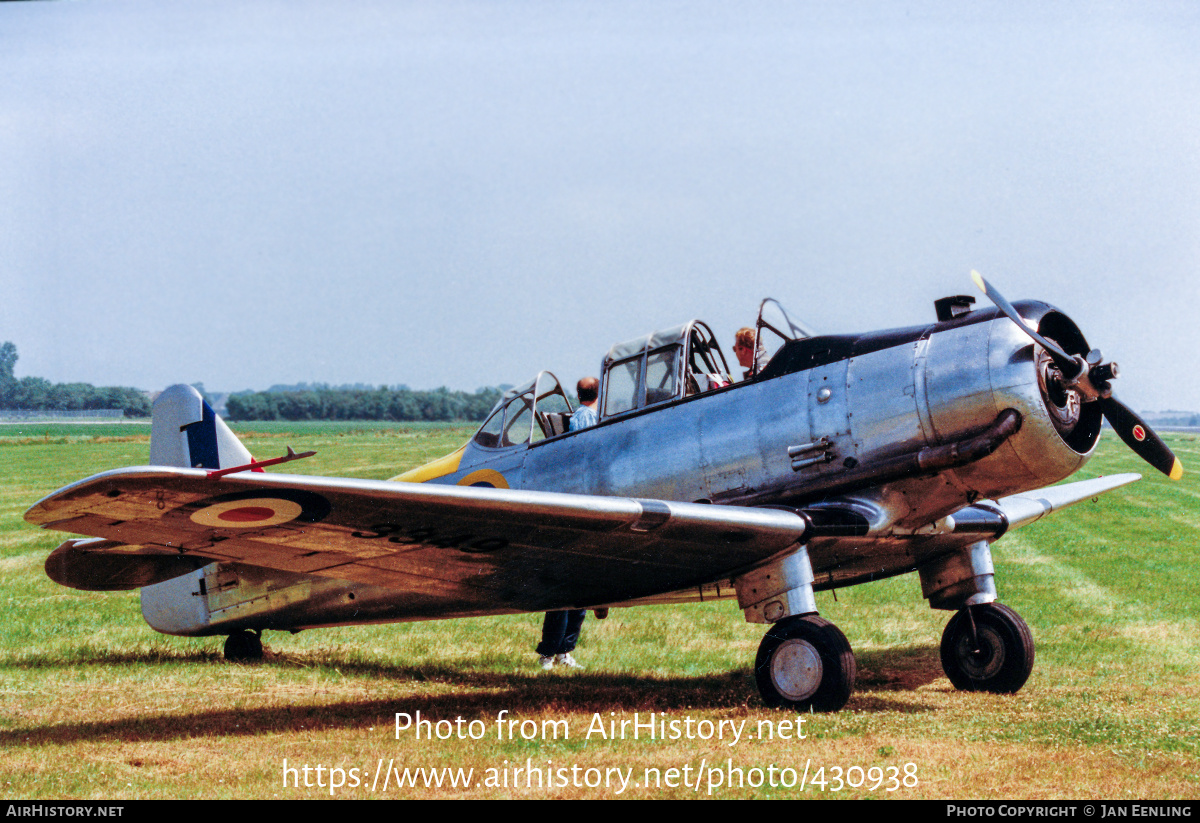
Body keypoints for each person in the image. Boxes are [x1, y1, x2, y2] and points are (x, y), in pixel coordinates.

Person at [538, 376, 598, 670]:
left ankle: (563, 651)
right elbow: (583, 455)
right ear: (600, 393)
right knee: (564, 588)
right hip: (579, 506)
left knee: (582, 587)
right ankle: (549, 653)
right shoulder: (586, 418)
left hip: (591, 509)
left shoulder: (590, 415)